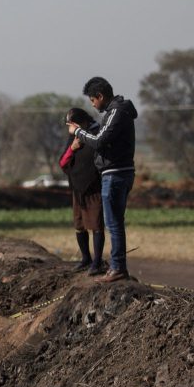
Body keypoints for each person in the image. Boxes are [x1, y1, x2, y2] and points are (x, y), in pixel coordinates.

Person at [67, 77, 138, 283]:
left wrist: (78, 132)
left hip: (115, 173)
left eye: (92, 100)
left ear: (100, 96)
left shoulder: (116, 112)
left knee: (113, 223)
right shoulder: (116, 112)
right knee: (115, 222)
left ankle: (117, 267)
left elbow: (99, 141)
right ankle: (117, 266)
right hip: (119, 172)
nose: (92, 105)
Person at [60, 108, 105, 276]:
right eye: (68, 125)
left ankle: (97, 262)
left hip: (94, 188)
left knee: (96, 225)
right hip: (77, 189)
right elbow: (63, 162)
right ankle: (86, 258)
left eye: (72, 124)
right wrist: (72, 147)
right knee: (79, 226)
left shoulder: (97, 133)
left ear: (83, 122)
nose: (70, 128)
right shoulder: (74, 137)